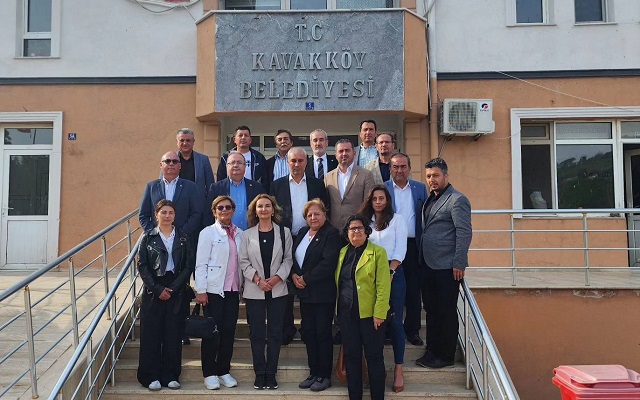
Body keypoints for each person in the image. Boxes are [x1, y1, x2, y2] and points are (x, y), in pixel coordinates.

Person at [415, 158, 472, 369]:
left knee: (446, 311)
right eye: (429, 176)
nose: (432, 180)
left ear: (446, 176)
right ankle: (432, 351)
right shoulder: (431, 198)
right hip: (428, 265)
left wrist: (459, 262)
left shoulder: (457, 200)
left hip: (447, 266)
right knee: (431, 310)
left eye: (436, 175)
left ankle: (445, 356)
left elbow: (464, 232)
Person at [269, 147, 328, 344]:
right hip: (284, 239)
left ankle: (307, 328)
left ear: (306, 163)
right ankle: (286, 329)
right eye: (293, 161)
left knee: (306, 282)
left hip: (310, 239)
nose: (296, 164)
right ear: (288, 163)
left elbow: (324, 210)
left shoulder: (316, 184)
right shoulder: (276, 186)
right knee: (285, 284)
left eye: (300, 161)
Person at [137, 200, 195, 391]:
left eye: (171, 212)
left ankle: (171, 375)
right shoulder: (147, 237)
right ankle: (150, 375)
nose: (167, 215)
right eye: (164, 212)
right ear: (156, 215)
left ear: (175, 216)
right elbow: (142, 266)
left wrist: (175, 287)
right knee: (151, 334)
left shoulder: (183, 238)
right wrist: (157, 288)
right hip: (154, 289)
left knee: (173, 334)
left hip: (176, 289)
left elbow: (188, 266)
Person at [238, 194, 293, 390]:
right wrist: (258, 280)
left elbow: (288, 259)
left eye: (267, 206)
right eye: (260, 206)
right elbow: (243, 261)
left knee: (276, 333)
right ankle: (260, 373)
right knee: (257, 334)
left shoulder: (283, 232)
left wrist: (277, 278)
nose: (263, 209)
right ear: (255, 210)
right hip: (255, 290)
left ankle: (271, 373)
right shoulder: (246, 235)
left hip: (278, 289)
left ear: (273, 209)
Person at [357, 185, 408, 393]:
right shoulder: (364, 222)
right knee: (370, 322)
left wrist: (390, 272)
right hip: (368, 275)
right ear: (369, 201)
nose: (378, 202)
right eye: (374, 199)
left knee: (394, 323)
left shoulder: (397, 220)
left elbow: (400, 248)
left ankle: (398, 369)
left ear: (387, 200)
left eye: (382, 198)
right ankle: (373, 369)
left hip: (393, 274)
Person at [336, 215, 390, 400]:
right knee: (351, 357)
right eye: (352, 229)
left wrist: (380, 313)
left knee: (374, 358)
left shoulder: (378, 253)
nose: (356, 231)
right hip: (347, 314)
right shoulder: (343, 252)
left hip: (371, 316)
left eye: (360, 228)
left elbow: (383, 286)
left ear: (367, 232)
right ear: (347, 233)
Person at [194, 195, 243, 390]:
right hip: (214, 291)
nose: (224, 211)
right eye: (220, 208)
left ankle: (223, 370)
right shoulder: (208, 233)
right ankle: (209, 373)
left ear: (233, 210)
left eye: (228, 207)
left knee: (228, 332)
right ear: (214, 211)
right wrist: (201, 290)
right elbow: (201, 263)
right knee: (211, 333)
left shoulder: (240, 233)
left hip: (232, 290)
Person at [291, 199, 340, 392]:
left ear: (325, 214)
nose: (313, 217)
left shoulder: (331, 234)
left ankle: (324, 375)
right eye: (309, 215)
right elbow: (295, 257)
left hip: (322, 294)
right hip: (305, 294)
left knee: (322, 334)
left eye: (317, 213)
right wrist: (294, 275)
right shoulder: (303, 233)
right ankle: (313, 372)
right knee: (309, 333)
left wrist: (305, 279)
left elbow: (328, 264)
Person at [385, 153, 427, 347]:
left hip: (412, 246)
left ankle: (412, 330)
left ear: (409, 168)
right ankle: (387, 330)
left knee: (413, 289)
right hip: (389, 248)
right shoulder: (383, 189)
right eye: (395, 167)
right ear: (390, 169)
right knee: (387, 289)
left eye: (403, 166)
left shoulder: (420, 189)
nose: (399, 170)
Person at [139, 152, 202, 239]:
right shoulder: (151, 187)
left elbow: (196, 213)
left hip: (183, 240)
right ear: (161, 165)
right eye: (167, 161)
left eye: (175, 161)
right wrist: (153, 233)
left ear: (180, 166)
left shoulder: (191, 187)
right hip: (157, 240)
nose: (171, 164)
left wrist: (182, 233)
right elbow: (143, 215)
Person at [203, 152, 265, 230]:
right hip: (224, 236)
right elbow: (208, 215)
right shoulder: (216, 188)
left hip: (250, 236)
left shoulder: (257, 187)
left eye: (239, 163)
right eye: (232, 163)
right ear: (227, 167)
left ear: (245, 166)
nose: (236, 165)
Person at [324, 139, 375, 232]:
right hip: (334, 230)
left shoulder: (366, 175)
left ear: (354, 153)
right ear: (336, 155)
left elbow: (369, 204)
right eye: (340, 151)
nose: (344, 154)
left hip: (357, 230)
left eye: (347, 150)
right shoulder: (328, 177)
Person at [174, 128, 215, 205]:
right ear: (177, 142)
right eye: (182, 140)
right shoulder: (170, 159)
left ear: (193, 142)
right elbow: (162, 183)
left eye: (188, 140)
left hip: (198, 204)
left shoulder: (203, 160)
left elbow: (210, 185)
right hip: (176, 204)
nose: (185, 143)